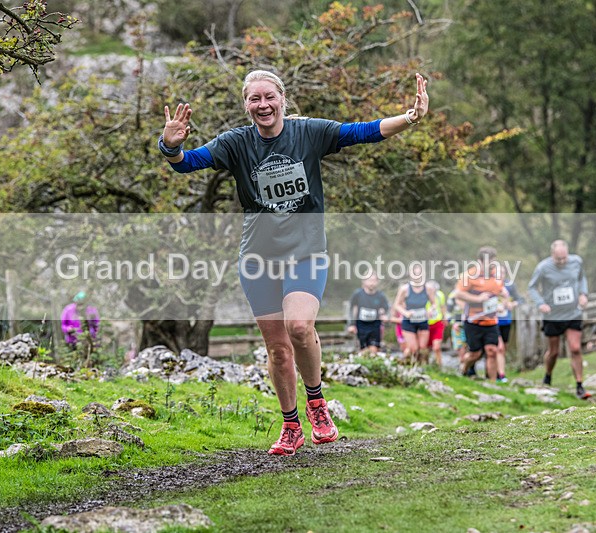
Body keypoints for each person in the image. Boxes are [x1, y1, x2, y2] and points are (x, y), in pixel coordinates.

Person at [162, 69, 429, 455]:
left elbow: (364, 131)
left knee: (300, 327)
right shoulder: (236, 143)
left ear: (283, 99)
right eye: (254, 99)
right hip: (257, 259)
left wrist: (411, 117)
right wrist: (170, 147)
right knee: (278, 350)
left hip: (305, 252)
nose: (262, 105)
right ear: (246, 105)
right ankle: (291, 426)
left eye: (269, 96)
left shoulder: (309, 132)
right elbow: (188, 162)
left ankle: (317, 403)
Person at [528, 239, 592, 400]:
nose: (562, 262)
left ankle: (579, 385)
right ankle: (548, 375)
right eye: (559, 260)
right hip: (553, 316)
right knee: (554, 352)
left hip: (573, 312)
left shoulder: (576, 261)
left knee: (575, 348)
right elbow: (532, 287)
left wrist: (584, 294)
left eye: (564, 259)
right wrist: (540, 303)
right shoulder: (543, 267)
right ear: (552, 256)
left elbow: (582, 278)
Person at [455, 247, 509, 381]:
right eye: (488, 262)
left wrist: (503, 303)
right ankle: (463, 368)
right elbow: (458, 294)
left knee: (492, 351)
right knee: (475, 353)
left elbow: (502, 292)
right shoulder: (469, 275)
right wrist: (478, 299)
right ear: (479, 261)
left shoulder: (496, 275)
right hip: (473, 320)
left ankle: (492, 384)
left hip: (491, 321)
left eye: (493, 262)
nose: (491, 265)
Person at [393, 264, 437, 366]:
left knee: (422, 348)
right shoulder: (405, 289)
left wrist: (430, 309)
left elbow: (434, 303)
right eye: (415, 274)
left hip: (422, 320)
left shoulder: (428, 288)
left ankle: (418, 368)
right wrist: (405, 313)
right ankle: (404, 365)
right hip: (409, 321)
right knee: (413, 348)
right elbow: (397, 305)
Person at [347, 273, 390, 354]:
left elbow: (387, 308)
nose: (372, 283)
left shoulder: (380, 296)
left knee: (373, 350)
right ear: (364, 281)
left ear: (377, 282)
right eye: (369, 280)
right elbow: (352, 309)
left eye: (374, 280)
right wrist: (351, 324)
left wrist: (385, 315)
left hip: (375, 326)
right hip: (361, 326)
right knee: (363, 351)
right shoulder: (358, 294)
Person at [495, 271, 524, 383]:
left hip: (506, 321)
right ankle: (501, 375)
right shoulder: (490, 285)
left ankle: (496, 372)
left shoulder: (510, 286)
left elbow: (520, 299)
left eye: (502, 273)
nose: (500, 275)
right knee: (499, 347)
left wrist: (512, 304)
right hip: (493, 321)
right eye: (497, 273)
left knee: (503, 348)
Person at [424, 280, 448, 368]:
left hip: (438, 322)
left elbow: (442, 306)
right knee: (425, 348)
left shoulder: (440, 295)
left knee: (436, 347)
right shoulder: (422, 296)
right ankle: (426, 365)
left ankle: (439, 366)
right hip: (425, 324)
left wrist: (445, 317)